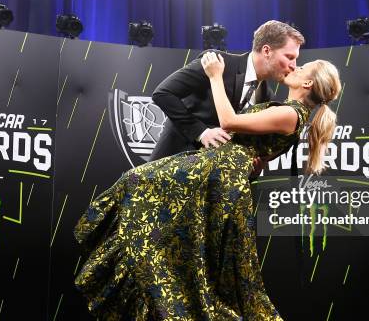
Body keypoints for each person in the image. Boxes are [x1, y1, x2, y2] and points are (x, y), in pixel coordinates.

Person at [73, 52, 341, 320]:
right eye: (292, 58)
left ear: (307, 84)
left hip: (219, 176)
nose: (295, 65)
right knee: (184, 247)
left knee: (136, 182)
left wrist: (215, 76)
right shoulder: (289, 112)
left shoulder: (290, 113)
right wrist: (254, 160)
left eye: (302, 65)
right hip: (218, 170)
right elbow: (260, 155)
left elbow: (228, 122)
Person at [150, 21, 305, 173]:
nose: (294, 65)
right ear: (266, 51)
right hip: (171, 168)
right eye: (289, 57)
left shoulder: (267, 97)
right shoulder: (218, 63)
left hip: (212, 184)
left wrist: (254, 166)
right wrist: (201, 132)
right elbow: (163, 93)